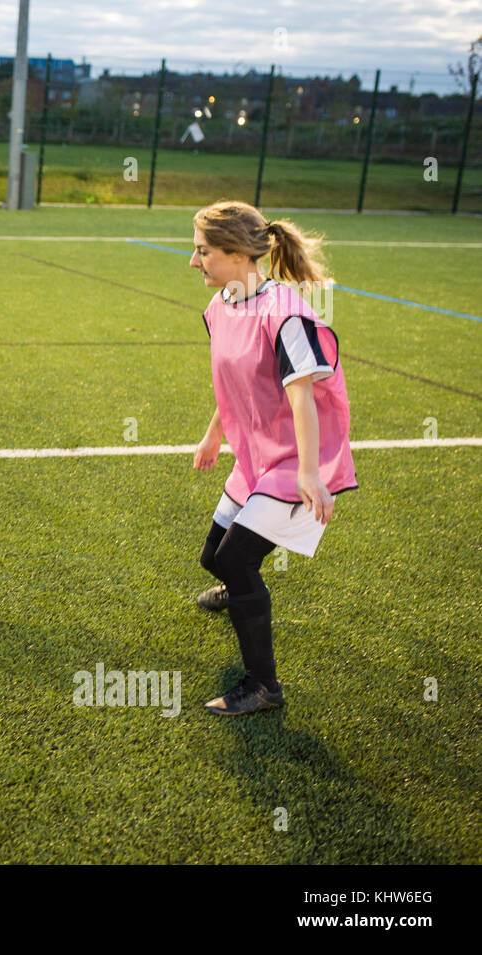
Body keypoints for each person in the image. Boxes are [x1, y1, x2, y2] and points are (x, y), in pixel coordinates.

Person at [188, 200, 357, 715]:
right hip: (255, 455)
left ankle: (264, 687)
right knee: (212, 559)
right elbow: (234, 383)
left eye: (203, 251)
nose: (194, 262)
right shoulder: (222, 305)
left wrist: (310, 473)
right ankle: (237, 589)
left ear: (237, 254)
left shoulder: (285, 315)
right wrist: (214, 434)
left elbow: (302, 396)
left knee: (235, 560)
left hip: (297, 460)